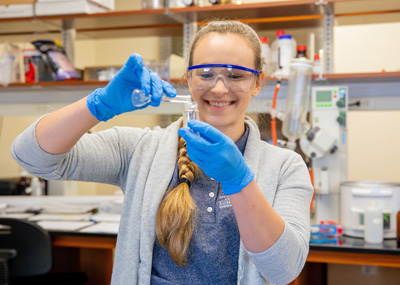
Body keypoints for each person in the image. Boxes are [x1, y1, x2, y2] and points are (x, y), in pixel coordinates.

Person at [12, 20, 313, 285]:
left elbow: (284, 269)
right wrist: (98, 105)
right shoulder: (140, 150)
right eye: (206, 74)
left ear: (257, 82)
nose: (219, 89)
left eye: (236, 76)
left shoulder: (286, 167)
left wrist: (240, 181)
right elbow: (31, 156)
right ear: (188, 78)